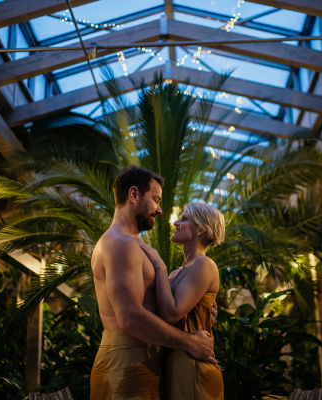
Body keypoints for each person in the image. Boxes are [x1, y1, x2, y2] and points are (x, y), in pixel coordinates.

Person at [90, 166, 217, 400]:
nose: (160, 210)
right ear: (134, 195)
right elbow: (130, 316)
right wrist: (190, 342)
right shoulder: (121, 244)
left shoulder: (129, 243)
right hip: (127, 368)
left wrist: (198, 311)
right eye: (156, 200)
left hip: (138, 363)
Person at [135, 202, 225, 400]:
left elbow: (171, 313)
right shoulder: (178, 272)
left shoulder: (204, 264)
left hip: (193, 367)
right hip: (177, 361)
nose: (176, 222)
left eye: (184, 219)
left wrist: (159, 266)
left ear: (201, 229)